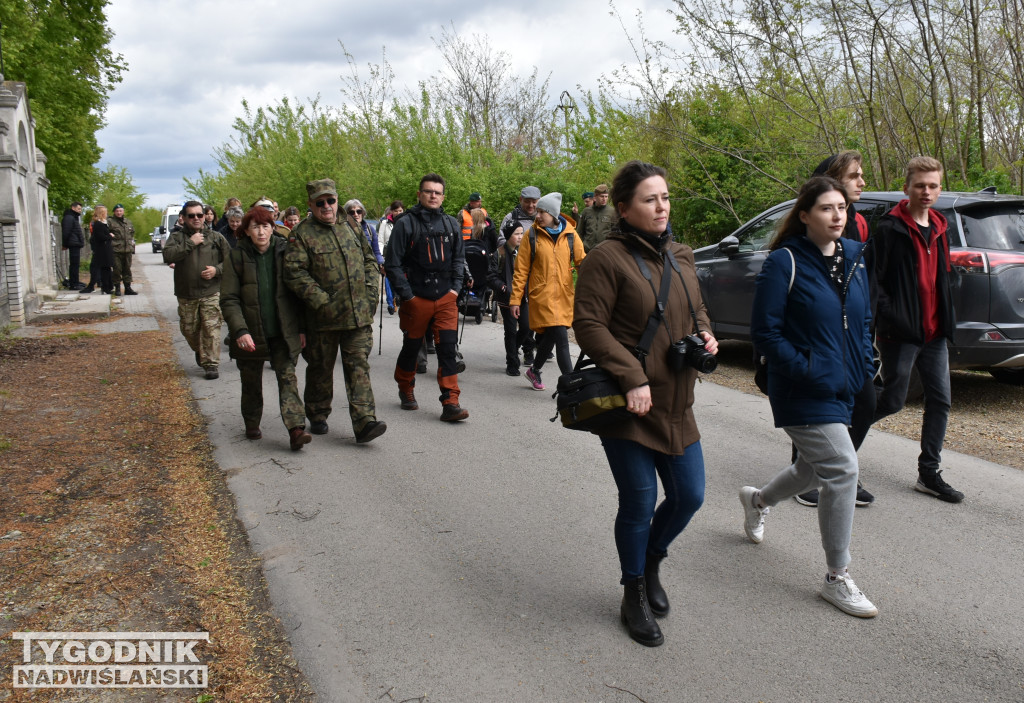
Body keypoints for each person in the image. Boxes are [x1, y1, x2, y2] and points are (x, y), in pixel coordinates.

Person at [574, 160, 719, 647]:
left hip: (678, 401)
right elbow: (589, 326)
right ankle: (632, 589)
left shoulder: (682, 254)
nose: (662, 207)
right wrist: (633, 377)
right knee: (638, 501)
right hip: (629, 405)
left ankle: (652, 558)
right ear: (624, 208)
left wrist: (706, 334)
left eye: (665, 197)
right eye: (649, 199)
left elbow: (695, 307)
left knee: (689, 496)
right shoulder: (605, 259)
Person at [739, 176, 878, 618]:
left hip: (845, 384)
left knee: (811, 469)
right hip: (802, 387)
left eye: (842, 208)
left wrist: (866, 362)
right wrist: (807, 368)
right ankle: (837, 577)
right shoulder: (784, 262)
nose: (838, 215)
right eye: (826, 208)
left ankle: (757, 500)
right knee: (841, 468)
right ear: (805, 216)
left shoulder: (855, 258)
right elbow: (765, 332)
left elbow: (863, 318)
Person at [856, 156, 962, 502]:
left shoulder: (941, 227)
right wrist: (893, 316)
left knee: (940, 401)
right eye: (920, 185)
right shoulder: (890, 228)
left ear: (940, 188)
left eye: (933, 185)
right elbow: (875, 281)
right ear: (907, 188)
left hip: (934, 333)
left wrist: (946, 318)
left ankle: (928, 473)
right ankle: (836, 451)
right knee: (892, 400)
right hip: (900, 333)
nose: (927, 191)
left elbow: (941, 275)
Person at [794, 150, 875, 508]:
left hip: (851, 342)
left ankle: (839, 466)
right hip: (817, 341)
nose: (862, 182)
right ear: (831, 181)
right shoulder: (798, 240)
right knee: (814, 408)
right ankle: (821, 472)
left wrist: (867, 343)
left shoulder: (858, 224)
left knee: (865, 403)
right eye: (854, 175)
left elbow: (861, 284)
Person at [283, 179, 387, 444]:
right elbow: (294, 272)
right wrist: (321, 300)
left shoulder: (350, 226)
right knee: (320, 369)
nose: (327, 206)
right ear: (311, 205)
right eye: (320, 202)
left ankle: (365, 422)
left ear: (337, 200)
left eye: (331, 200)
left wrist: (371, 294)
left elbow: (369, 260)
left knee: (359, 368)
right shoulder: (302, 234)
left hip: (358, 316)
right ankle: (317, 413)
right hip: (323, 319)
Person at [220, 206, 312, 450]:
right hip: (250, 333)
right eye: (255, 227)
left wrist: (301, 329)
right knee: (251, 381)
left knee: (288, 378)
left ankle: (296, 429)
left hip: (283, 332)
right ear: (246, 231)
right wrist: (240, 331)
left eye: (265, 226)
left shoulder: (286, 252)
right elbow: (229, 299)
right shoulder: (236, 257)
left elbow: (297, 294)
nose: (261, 232)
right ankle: (252, 422)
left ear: (273, 228)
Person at [384, 173, 469, 422]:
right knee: (411, 348)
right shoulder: (405, 224)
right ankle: (405, 388)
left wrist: (455, 289)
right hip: (416, 298)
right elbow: (393, 263)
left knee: (447, 349)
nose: (433, 195)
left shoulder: (451, 224)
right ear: (419, 194)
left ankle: (451, 401)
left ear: (443, 196)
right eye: (428, 191)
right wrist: (407, 296)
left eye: (437, 192)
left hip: (446, 298)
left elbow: (458, 260)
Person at [509, 192, 586, 391]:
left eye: (542, 211)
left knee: (553, 335)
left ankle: (534, 369)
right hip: (541, 296)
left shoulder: (570, 235)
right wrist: (515, 299)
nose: (538, 215)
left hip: (564, 295)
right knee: (560, 336)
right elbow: (521, 270)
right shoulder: (531, 235)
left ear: (553, 214)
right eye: (538, 211)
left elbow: (582, 264)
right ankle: (571, 386)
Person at [163, 201, 231, 379]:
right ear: (184, 218)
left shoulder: (216, 237)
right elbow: (168, 256)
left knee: (211, 328)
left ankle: (211, 364)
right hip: (187, 294)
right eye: (191, 215)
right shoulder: (177, 238)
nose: (196, 219)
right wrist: (190, 243)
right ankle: (200, 350)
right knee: (189, 329)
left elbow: (232, 262)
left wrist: (217, 270)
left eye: (199, 215)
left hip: (211, 292)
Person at [499, 186, 542, 363]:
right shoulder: (511, 217)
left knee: (530, 317)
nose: (531, 205)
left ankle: (526, 348)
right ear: (520, 200)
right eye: (527, 201)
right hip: (515, 269)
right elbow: (501, 239)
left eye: (534, 202)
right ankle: (520, 349)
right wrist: (516, 249)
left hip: (536, 272)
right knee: (521, 317)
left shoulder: (541, 217)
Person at [489, 223, 535, 376]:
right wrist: (502, 287)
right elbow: (491, 276)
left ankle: (513, 350)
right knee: (510, 330)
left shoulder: (525, 251)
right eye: (517, 234)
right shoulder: (499, 253)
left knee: (527, 327)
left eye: (522, 233)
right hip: (506, 298)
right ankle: (512, 363)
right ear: (508, 236)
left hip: (523, 296)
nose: (520, 237)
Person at [378, 200, 404, 315]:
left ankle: (398, 297)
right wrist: (380, 258)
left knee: (399, 278)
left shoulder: (405, 223)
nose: (398, 212)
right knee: (388, 278)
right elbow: (380, 241)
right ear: (391, 211)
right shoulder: (385, 223)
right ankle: (390, 303)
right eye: (396, 210)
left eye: (400, 210)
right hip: (388, 255)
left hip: (401, 256)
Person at [108, 204, 137, 296]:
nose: (119, 212)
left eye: (120, 211)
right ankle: (117, 288)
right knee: (117, 270)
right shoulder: (110, 222)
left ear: (123, 211)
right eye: (117, 211)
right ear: (114, 212)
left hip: (127, 250)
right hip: (116, 250)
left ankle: (128, 288)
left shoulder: (128, 222)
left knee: (127, 270)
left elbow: (132, 233)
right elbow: (106, 232)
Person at [577, 184, 615, 250]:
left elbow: (615, 233)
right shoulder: (586, 211)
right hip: (587, 250)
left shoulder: (612, 212)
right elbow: (580, 231)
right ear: (595, 196)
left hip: (604, 250)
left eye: (606, 197)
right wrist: (581, 246)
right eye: (602, 196)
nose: (604, 199)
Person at [88, 206, 115, 295]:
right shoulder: (98, 224)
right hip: (102, 250)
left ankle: (108, 286)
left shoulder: (103, 223)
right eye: (105, 212)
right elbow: (100, 237)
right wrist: (110, 236)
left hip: (105, 248)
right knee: (104, 269)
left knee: (107, 269)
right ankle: (105, 287)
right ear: (102, 213)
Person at [61, 202, 85, 289]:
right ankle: (73, 284)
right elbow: (66, 232)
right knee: (74, 264)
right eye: (78, 209)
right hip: (73, 243)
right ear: (73, 208)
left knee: (76, 264)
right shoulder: (69, 218)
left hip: (75, 243)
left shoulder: (73, 217)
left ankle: (75, 282)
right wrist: (65, 244)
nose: (80, 211)